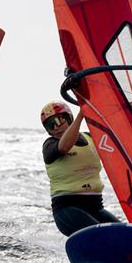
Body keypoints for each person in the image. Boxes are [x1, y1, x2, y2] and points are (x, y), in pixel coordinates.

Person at [41, 101, 120, 237]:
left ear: (69, 118)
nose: (55, 127)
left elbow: (117, 138)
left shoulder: (91, 138)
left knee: (125, 234)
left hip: (95, 207)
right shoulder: (49, 145)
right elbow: (65, 147)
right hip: (67, 209)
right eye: (50, 124)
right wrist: (82, 114)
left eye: (59, 120)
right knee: (104, 236)